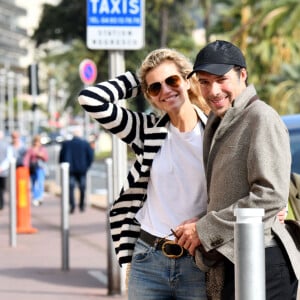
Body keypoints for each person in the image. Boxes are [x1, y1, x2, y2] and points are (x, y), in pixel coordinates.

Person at [78, 48, 209, 299]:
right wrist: (137, 82)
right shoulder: (147, 130)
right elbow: (90, 99)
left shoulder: (215, 132)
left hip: (198, 259)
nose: (166, 91)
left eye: (172, 81)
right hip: (149, 257)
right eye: (155, 88)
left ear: (187, 79)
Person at [175, 40, 299, 300]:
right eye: (204, 82)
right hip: (237, 257)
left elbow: (269, 197)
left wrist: (205, 229)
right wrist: (199, 220)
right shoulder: (217, 120)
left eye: (222, 79)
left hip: (265, 259)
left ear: (242, 75)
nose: (213, 90)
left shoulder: (261, 117)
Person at [59, 128, 94, 214]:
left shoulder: (66, 144)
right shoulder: (85, 144)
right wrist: (87, 166)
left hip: (70, 170)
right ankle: (81, 205)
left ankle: (72, 205)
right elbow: (91, 156)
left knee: (70, 188)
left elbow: (61, 157)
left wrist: (63, 166)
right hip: (82, 170)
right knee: (82, 188)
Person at [24, 135, 49, 206]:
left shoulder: (42, 149)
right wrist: (25, 167)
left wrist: (41, 155)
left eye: (38, 142)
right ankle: (35, 197)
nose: (36, 143)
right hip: (32, 168)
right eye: (35, 141)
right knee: (34, 183)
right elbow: (26, 159)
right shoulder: (30, 149)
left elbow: (46, 158)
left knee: (40, 182)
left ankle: (39, 197)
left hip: (40, 168)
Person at [0, 131, 13, 210]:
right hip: (3, 171)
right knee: (1, 190)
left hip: (3, 172)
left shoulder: (6, 146)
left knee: (1, 190)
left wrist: (2, 168)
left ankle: (1, 205)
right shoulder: (7, 145)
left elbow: (9, 158)